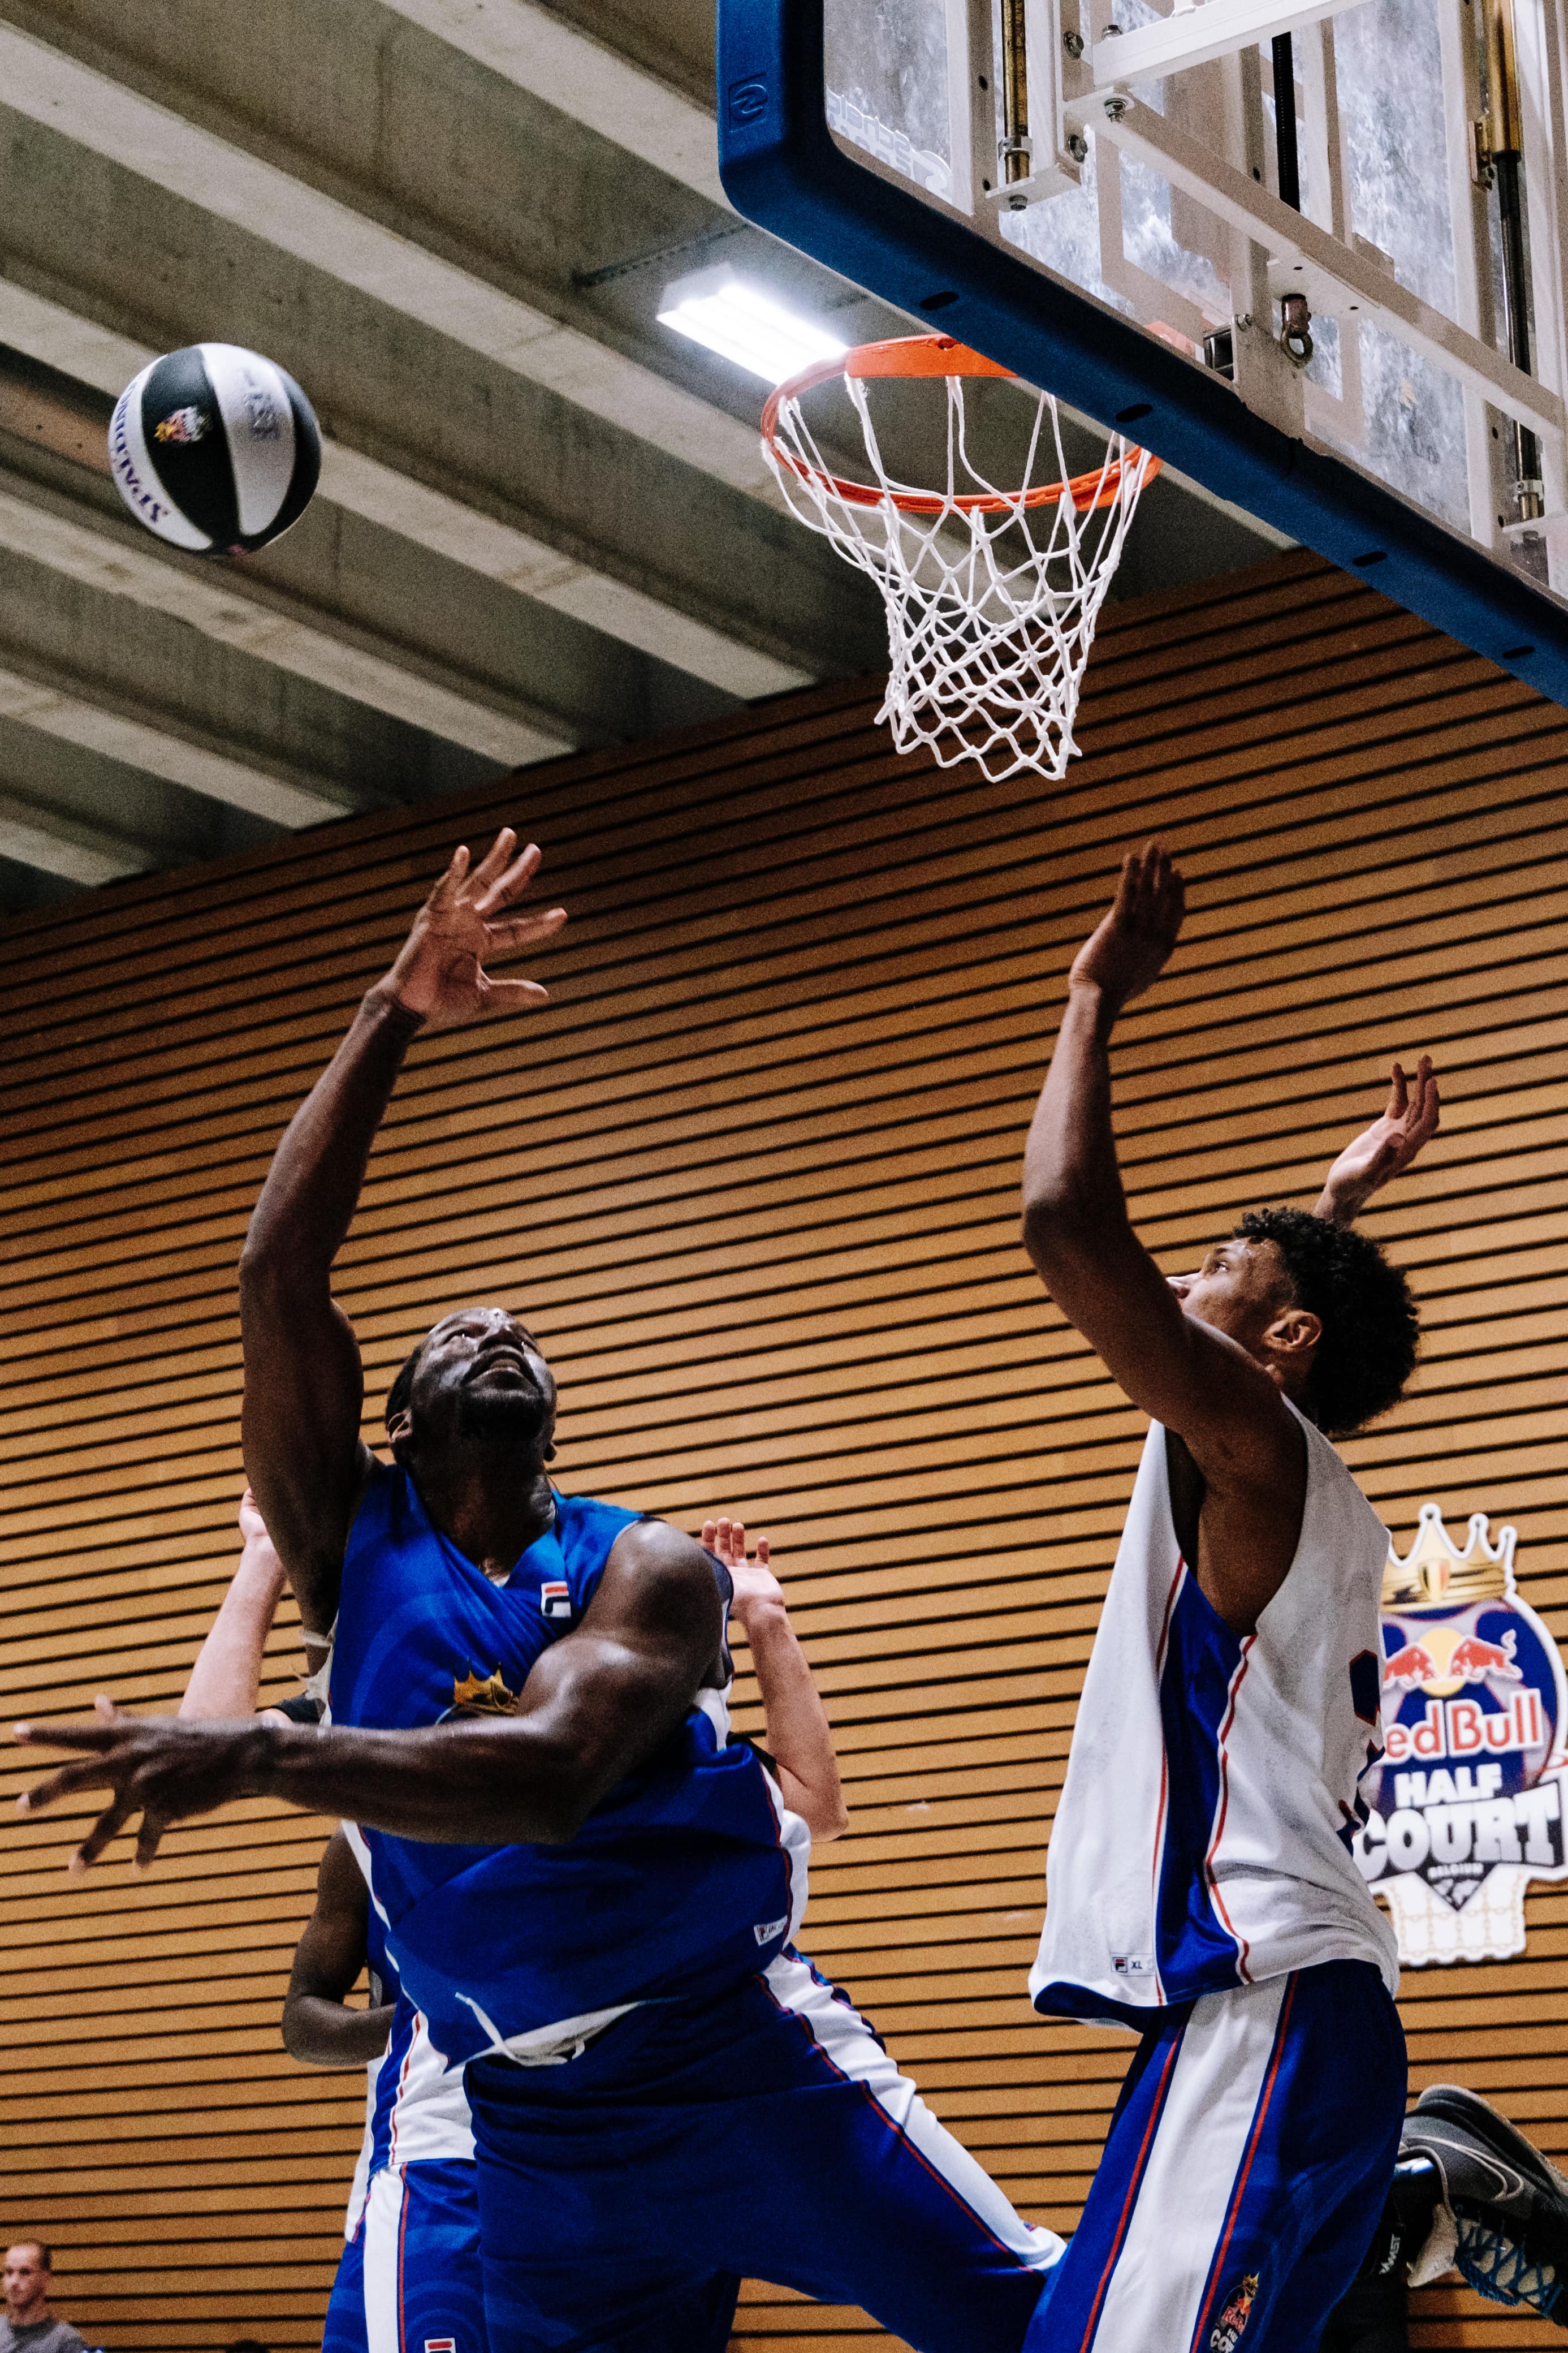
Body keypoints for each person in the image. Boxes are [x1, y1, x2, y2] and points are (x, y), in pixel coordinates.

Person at [25, 828, 1062, 2353]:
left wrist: (253, 1754)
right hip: (527, 2128)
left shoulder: (647, 1566)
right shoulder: (349, 1541)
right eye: (460, 1329)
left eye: (520, 1329)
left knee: (1053, 2326)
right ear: (395, 1420)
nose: (500, 1324)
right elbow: (277, 1276)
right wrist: (388, 1013)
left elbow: (553, 1773)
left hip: (729, 2057)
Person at [183, 1494, 849, 2353]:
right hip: (454, 2148)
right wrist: (265, 1555)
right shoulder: (382, 1794)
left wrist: (763, 1620)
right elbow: (204, 1753)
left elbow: (814, 1804)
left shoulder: (614, 1751)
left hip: (634, 2134)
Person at [0, 2244, 87, 2353]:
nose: (14, 2282)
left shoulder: (67, 2342)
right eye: (9, 2272)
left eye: (25, 2272)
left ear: (45, 2279)